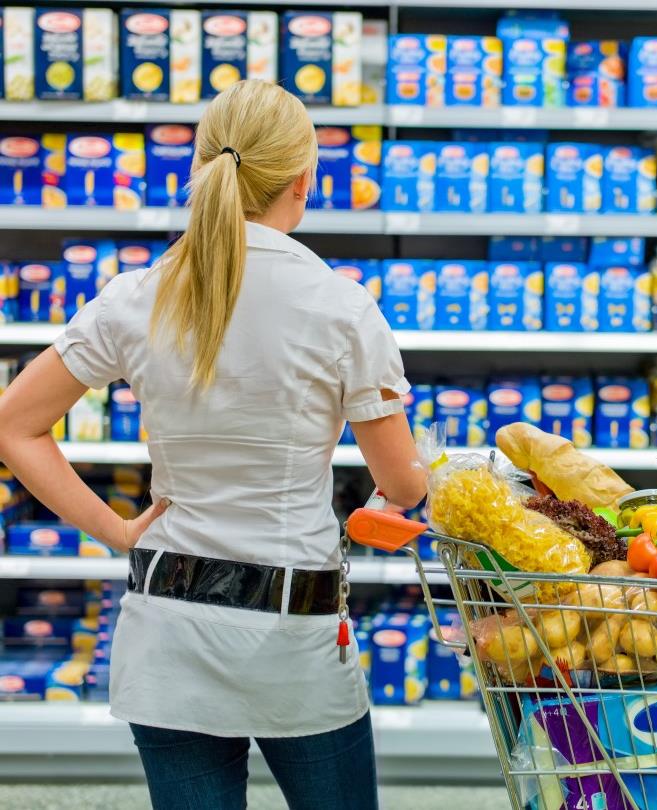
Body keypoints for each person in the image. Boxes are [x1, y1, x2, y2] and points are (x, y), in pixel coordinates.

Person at [0, 80, 426, 810]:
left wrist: (114, 530)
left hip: (167, 630)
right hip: (295, 634)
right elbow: (405, 485)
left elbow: (15, 425)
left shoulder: (136, 296)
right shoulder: (341, 307)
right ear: (303, 182)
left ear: (203, 167)